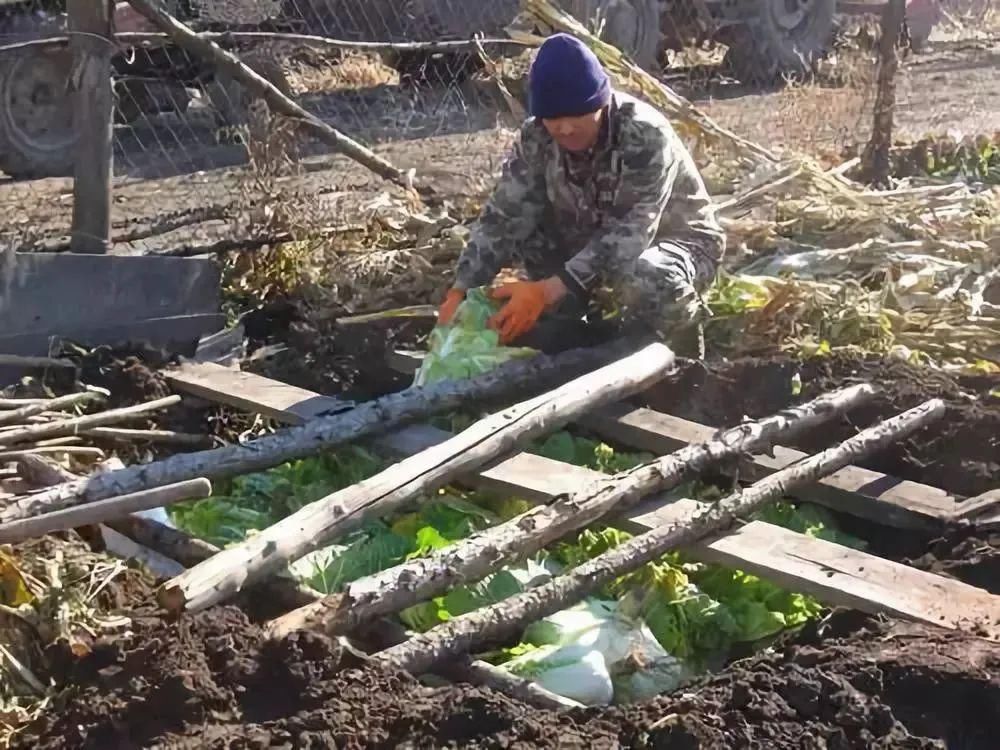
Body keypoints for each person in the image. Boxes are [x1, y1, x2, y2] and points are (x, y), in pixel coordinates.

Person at [436, 33, 726, 356]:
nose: (565, 129)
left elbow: (629, 235)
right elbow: (504, 215)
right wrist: (461, 289)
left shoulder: (644, 135)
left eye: (577, 114)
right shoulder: (536, 137)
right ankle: (575, 336)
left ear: (601, 102)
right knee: (528, 229)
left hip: (675, 243)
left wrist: (546, 291)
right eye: (553, 118)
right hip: (590, 240)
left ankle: (682, 355)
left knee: (645, 277)